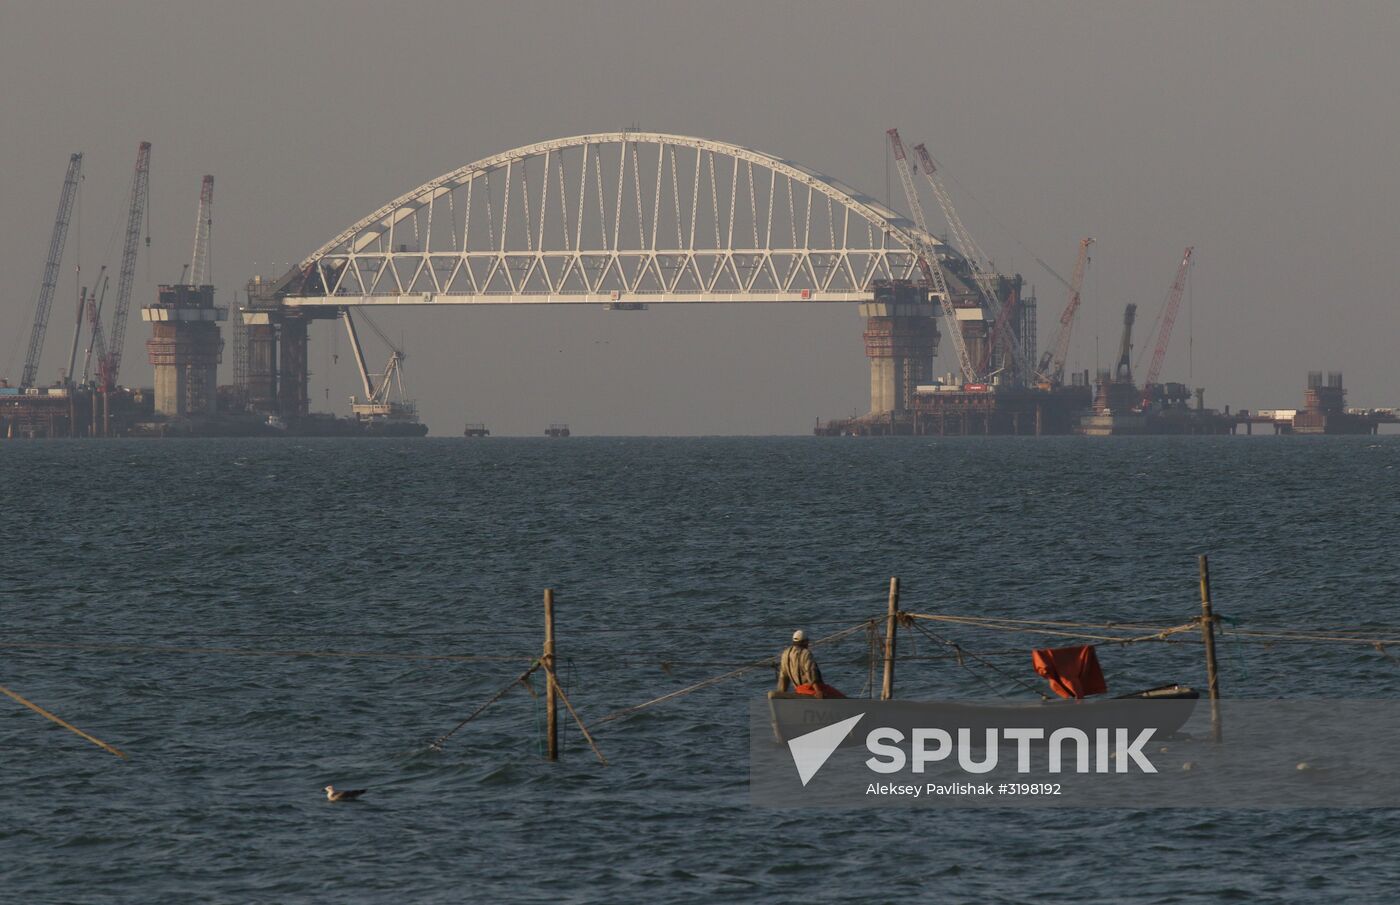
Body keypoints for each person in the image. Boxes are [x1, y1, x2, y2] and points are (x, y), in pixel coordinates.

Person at [777, 630, 843, 699]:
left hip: (798, 690)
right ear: (804, 642)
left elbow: (783, 677)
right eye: (807, 641)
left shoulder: (785, 654)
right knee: (839, 696)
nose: (808, 644)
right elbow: (810, 672)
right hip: (810, 689)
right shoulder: (806, 653)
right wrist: (818, 691)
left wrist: (782, 694)